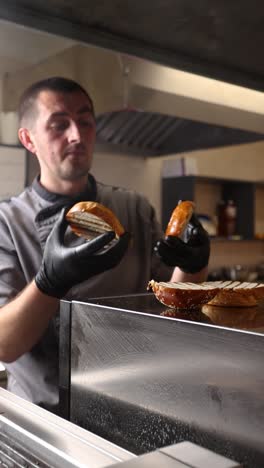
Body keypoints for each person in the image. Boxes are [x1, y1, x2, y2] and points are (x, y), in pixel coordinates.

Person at [0, 77, 210, 414]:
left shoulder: (135, 209)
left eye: (85, 121)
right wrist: (48, 283)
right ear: (28, 139)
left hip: (132, 405)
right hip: (46, 419)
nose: (77, 135)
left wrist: (193, 268)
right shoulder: (7, 223)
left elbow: (172, 311)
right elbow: (4, 345)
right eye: (58, 125)